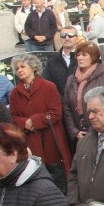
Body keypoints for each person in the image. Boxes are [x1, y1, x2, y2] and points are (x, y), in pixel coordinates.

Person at [9, 53, 73, 191]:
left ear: (33, 67)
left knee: (56, 173)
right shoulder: (14, 93)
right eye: (17, 68)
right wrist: (25, 122)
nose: (19, 70)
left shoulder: (48, 86)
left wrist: (35, 121)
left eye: (22, 66)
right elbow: (13, 116)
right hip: (30, 140)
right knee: (35, 173)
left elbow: (56, 112)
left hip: (51, 138)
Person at [63, 41, 104, 142]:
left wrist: (92, 132)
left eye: (84, 55)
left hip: (101, 133)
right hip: (78, 135)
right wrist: (74, 131)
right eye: (78, 55)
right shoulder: (71, 79)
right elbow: (67, 107)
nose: (79, 58)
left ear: (94, 57)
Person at [42, 26, 79, 98]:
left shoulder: (86, 58)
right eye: (63, 36)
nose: (67, 38)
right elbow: (47, 84)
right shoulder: (52, 61)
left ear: (77, 38)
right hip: (59, 103)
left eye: (70, 36)